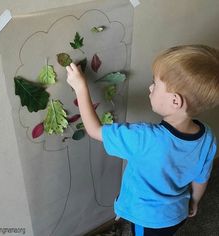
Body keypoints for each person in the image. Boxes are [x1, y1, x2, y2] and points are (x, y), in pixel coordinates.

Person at [66, 45, 219, 236]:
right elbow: (201, 178)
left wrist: (80, 87)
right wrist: (194, 201)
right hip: (177, 214)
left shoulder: (145, 138)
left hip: (148, 221)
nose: (150, 87)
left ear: (175, 101)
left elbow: (95, 130)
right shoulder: (208, 137)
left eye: (154, 83)